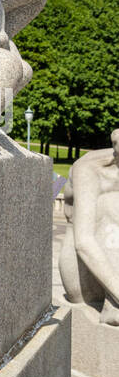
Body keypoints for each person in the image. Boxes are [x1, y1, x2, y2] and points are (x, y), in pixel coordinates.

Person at [60, 130, 119, 325]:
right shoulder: (90, 169)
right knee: (111, 203)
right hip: (82, 274)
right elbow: (84, 243)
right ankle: (113, 305)